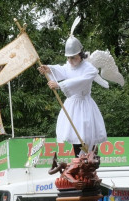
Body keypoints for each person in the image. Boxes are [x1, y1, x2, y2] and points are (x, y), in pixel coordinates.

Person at [36, 22, 106, 155]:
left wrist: (60, 85)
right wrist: (49, 69)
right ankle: (78, 162)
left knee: (85, 135)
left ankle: (88, 162)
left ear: (80, 54)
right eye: (68, 58)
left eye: (73, 57)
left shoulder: (90, 69)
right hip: (72, 105)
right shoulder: (69, 65)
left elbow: (81, 81)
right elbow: (62, 70)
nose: (70, 60)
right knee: (75, 135)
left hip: (84, 106)